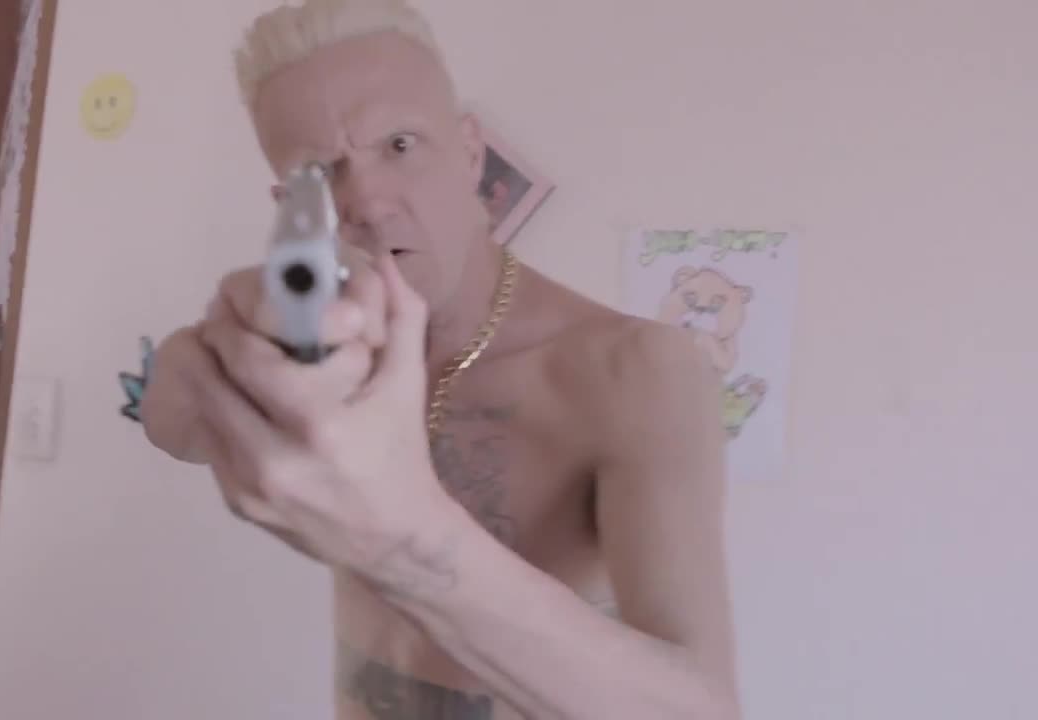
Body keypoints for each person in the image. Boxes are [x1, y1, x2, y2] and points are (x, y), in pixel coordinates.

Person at [140, 1, 741, 717]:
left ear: (469, 153)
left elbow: (700, 710)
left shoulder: (633, 370)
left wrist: (401, 540)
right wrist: (201, 364)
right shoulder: (334, 360)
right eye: (319, 173)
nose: (366, 199)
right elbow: (172, 423)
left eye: (399, 144)